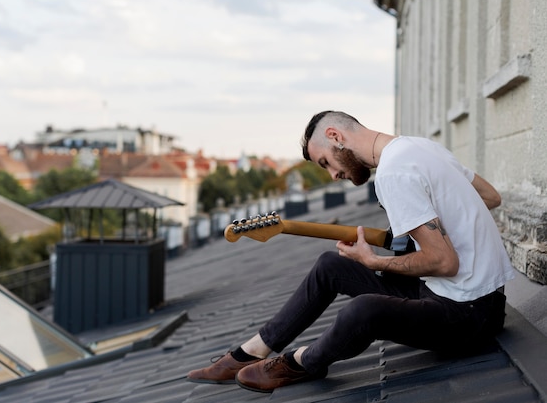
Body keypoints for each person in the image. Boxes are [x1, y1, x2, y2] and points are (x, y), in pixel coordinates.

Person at [187, 110, 515, 393]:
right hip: (464, 295)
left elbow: (444, 260)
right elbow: (490, 196)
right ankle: (255, 349)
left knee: (363, 311)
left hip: (469, 317)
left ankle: (305, 361)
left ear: (336, 136)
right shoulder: (421, 148)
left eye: (326, 162)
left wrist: (373, 261)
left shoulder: (393, 173)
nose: (334, 175)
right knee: (332, 265)